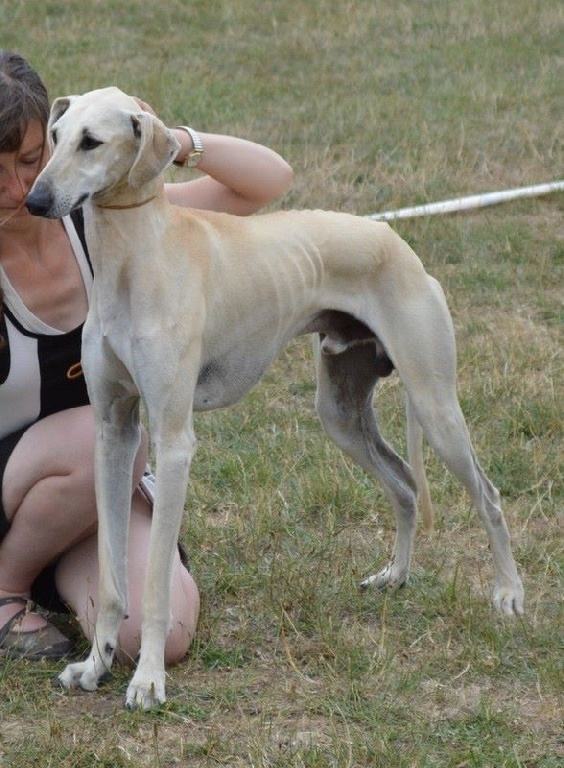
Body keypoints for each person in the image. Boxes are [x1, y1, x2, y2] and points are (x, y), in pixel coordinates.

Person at [0, 50, 293, 663]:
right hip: (25, 480)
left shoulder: (102, 214)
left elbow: (268, 180)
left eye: (31, 159)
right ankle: (6, 588)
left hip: (95, 485)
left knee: (159, 637)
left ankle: (63, 576)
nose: (18, 187)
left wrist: (167, 139)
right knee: (105, 438)